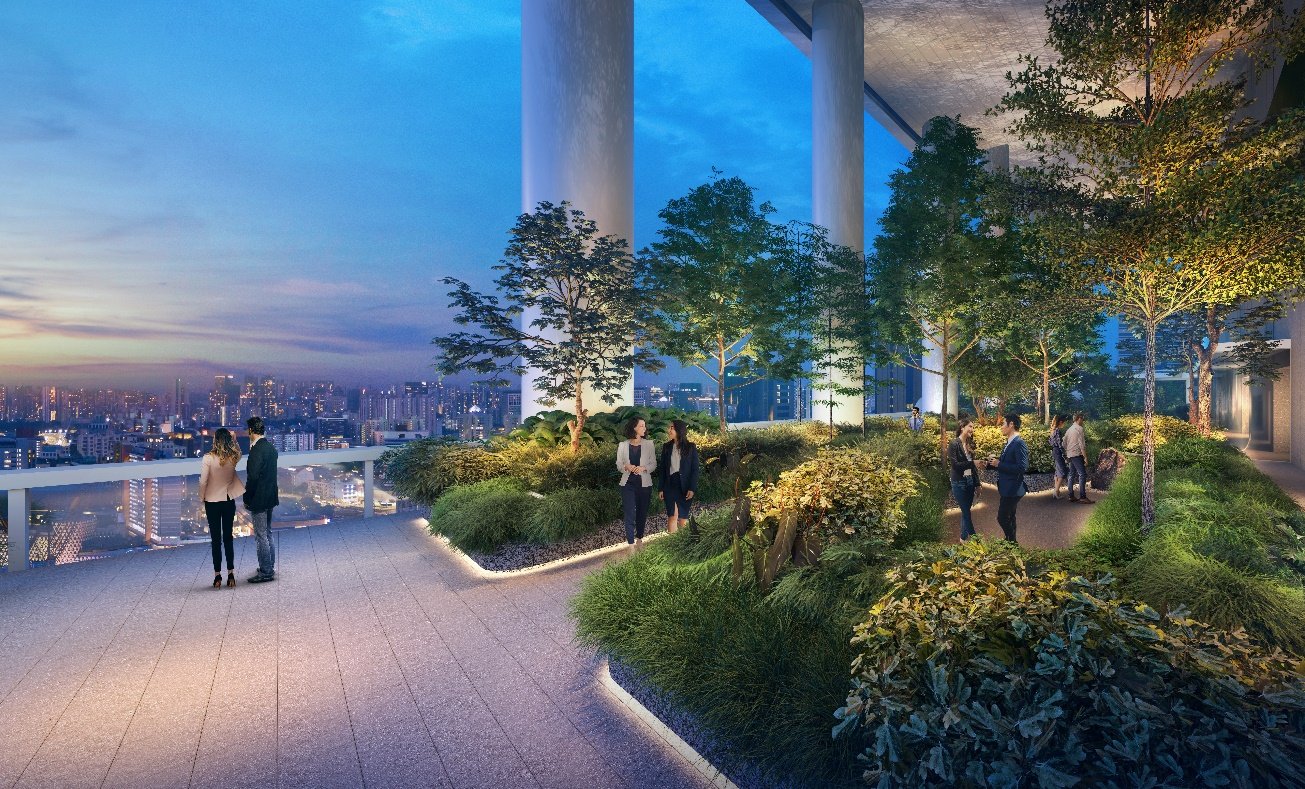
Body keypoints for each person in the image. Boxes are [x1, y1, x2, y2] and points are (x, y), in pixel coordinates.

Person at [199, 427, 245, 588]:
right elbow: (239, 451)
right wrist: (234, 439)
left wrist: (201, 497)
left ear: (215, 440)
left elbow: (203, 481)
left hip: (212, 501)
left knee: (216, 540)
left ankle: (217, 576)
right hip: (228, 501)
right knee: (228, 538)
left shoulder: (207, 458)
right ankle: (231, 574)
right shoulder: (232, 457)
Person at [243, 416, 279, 582]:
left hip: (259, 498)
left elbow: (253, 477)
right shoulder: (271, 447)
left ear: (251, 430)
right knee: (268, 533)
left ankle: (266, 572)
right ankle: (269, 565)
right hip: (270, 496)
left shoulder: (256, 450)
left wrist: (247, 497)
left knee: (260, 535)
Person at [615, 416, 656, 548]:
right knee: (629, 512)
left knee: (642, 512)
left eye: (645, 425)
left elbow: (653, 465)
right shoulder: (622, 445)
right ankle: (631, 544)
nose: (644, 428)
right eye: (641, 425)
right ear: (634, 428)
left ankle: (639, 538)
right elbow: (619, 465)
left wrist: (643, 468)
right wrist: (626, 466)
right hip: (627, 484)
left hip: (644, 484)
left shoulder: (649, 444)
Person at [990, 413, 1029, 543]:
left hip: (1013, 489)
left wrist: (999, 464)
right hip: (1008, 488)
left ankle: (1012, 543)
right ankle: (1010, 542)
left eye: (1003, 423)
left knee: (1002, 518)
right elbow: (1007, 464)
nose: (1001, 427)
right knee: (1010, 517)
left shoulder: (1018, 443)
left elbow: (1022, 467)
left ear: (1011, 424)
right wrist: (991, 464)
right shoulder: (1010, 442)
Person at [658, 419, 700, 535]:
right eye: (669, 427)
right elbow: (662, 469)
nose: (669, 430)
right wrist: (660, 488)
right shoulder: (666, 447)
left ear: (679, 430)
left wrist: (692, 488)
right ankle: (672, 544)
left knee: (683, 517)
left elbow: (695, 469)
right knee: (672, 515)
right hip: (670, 484)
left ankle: (683, 545)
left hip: (684, 485)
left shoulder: (690, 447)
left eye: (672, 427)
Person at [947, 417, 981, 540]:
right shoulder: (954, 444)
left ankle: (962, 538)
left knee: (965, 510)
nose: (972, 429)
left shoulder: (970, 444)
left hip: (970, 480)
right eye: (970, 426)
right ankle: (976, 540)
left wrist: (977, 484)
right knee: (966, 512)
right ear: (962, 427)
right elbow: (955, 466)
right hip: (958, 482)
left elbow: (973, 468)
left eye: (973, 427)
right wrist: (973, 463)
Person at [1064, 412, 1092, 504]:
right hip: (1077, 454)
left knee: (1071, 474)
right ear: (1078, 419)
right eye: (1082, 419)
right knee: (1082, 474)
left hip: (1070, 455)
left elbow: (1063, 443)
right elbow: (1081, 445)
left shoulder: (1069, 429)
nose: (1083, 421)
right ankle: (1082, 497)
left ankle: (1071, 495)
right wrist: (1085, 457)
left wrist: (1068, 450)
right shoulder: (1079, 429)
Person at [1048, 414, 1069, 499]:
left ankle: (1055, 491)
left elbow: (1050, 442)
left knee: (1058, 471)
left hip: (1054, 450)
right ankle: (1056, 491)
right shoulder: (1057, 431)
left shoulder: (1053, 430)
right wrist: (1065, 455)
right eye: (1064, 422)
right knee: (1062, 471)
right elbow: (1060, 444)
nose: (1064, 424)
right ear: (1061, 422)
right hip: (1058, 451)